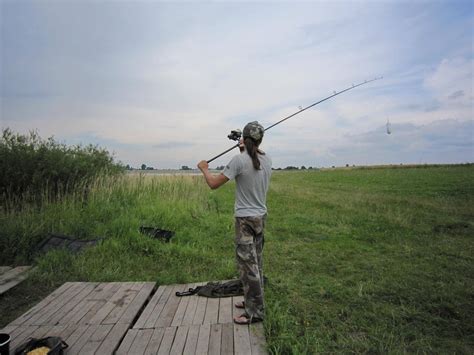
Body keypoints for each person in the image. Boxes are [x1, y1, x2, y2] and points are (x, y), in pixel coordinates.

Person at [197, 121, 272, 325]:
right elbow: (254, 158)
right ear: (260, 140)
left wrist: (204, 168)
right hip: (260, 218)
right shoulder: (267, 159)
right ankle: (252, 301)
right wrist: (244, 148)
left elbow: (213, 184)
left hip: (245, 220)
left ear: (245, 139)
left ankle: (255, 313)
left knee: (248, 267)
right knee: (257, 263)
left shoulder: (239, 161)